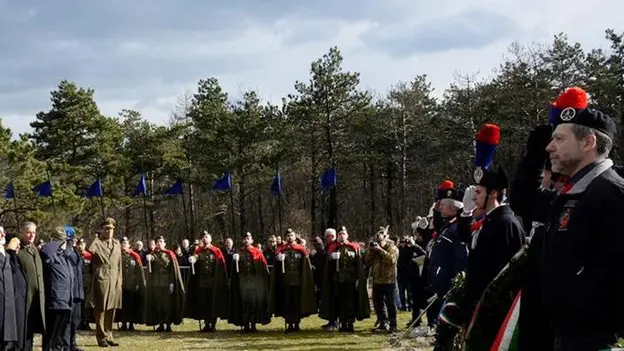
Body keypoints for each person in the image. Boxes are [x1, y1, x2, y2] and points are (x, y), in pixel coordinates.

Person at [512, 87, 624, 350]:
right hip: (563, 337)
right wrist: (532, 157)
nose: (549, 147)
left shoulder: (611, 194)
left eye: (559, 139)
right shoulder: (570, 195)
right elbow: (523, 201)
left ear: (588, 143)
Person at [319, 226, 370, 333]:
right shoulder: (334, 247)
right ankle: (342, 323)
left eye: (343, 234)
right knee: (340, 302)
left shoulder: (354, 247)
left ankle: (350, 323)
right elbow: (327, 262)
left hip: (351, 279)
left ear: (347, 235)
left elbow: (359, 263)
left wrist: (359, 278)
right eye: (340, 234)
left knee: (350, 302)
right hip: (338, 279)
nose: (341, 236)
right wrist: (331, 257)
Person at [269, 229, 316, 333]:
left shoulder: (301, 249)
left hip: (298, 281)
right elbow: (276, 268)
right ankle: (289, 323)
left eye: (291, 235)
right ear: (285, 237)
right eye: (288, 235)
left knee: (296, 302)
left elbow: (305, 265)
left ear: (295, 237)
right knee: (287, 303)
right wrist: (277, 259)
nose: (289, 237)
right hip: (285, 281)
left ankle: (296, 323)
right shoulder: (281, 250)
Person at [88, 218, 123, 348]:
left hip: (114, 279)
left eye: (111, 229)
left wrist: (120, 281)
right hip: (102, 278)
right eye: (106, 229)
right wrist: (97, 238)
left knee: (111, 309)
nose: (109, 231)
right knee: (101, 309)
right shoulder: (97, 243)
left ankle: (109, 335)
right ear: (102, 230)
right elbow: (90, 250)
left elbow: (119, 264)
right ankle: (101, 336)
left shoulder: (117, 244)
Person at [228, 232, 271, 333]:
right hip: (243, 284)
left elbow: (263, 267)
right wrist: (234, 261)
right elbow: (234, 271)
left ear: (252, 240)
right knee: (244, 304)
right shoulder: (239, 252)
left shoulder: (257, 252)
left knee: (254, 304)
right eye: (244, 238)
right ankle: (246, 324)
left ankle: (253, 324)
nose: (246, 240)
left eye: (248, 238)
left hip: (255, 284)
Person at [186, 232, 228, 332]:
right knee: (203, 303)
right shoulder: (199, 251)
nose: (204, 239)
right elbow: (196, 258)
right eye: (203, 237)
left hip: (213, 282)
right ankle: (206, 323)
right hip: (202, 282)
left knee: (212, 303)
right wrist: (193, 259)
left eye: (206, 237)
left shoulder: (216, 251)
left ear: (210, 239)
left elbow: (221, 266)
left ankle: (213, 323)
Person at [40, 226, 74, 351]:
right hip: (55, 302)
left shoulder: (65, 256)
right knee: (51, 337)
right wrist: (58, 242)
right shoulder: (49, 254)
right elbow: (46, 250)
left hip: (66, 301)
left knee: (59, 338)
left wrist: (67, 246)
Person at [144, 236, 185, 332]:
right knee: (159, 305)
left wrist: (172, 283)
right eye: (157, 242)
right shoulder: (153, 254)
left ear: (165, 243)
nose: (159, 243)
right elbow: (151, 266)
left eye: (161, 242)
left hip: (167, 283)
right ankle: (161, 323)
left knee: (168, 305)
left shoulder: (169, 254)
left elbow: (173, 270)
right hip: (156, 284)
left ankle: (168, 324)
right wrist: (149, 259)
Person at [17, 222, 46, 351]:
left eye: (34, 232)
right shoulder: (18, 251)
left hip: (37, 297)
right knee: (24, 330)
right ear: (22, 233)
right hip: (24, 298)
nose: (31, 235)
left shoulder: (36, 250)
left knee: (33, 327)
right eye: (28, 232)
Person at [365, 226, 399, 333]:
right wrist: (371, 251)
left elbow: (391, 260)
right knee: (378, 303)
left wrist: (380, 250)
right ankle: (383, 323)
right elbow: (367, 261)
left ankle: (393, 325)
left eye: (380, 242)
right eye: (377, 242)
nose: (379, 243)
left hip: (389, 280)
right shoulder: (374, 250)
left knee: (390, 303)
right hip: (377, 280)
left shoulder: (393, 248)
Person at [116, 237, 145, 331]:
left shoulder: (134, 256)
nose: (124, 245)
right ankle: (124, 323)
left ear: (129, 245)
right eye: (122, 243)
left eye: (125, 243)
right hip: (121, 284)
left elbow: (139, 271)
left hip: (132, 284)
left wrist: (138, 283)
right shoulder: (117, 256)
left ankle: (131, 324)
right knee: (123, 305)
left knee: (132, 305)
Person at [64, 227, 86, 351]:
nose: (74, 240)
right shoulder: (66, 251)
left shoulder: (76, 252)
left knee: (75, 320)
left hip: (78, 291)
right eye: (72, 238)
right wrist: (69, 243)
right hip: (69, 292)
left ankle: (73, 343)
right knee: (68, 321)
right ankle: (66, 345)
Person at [0, 226, 18, 349]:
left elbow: (14, 270)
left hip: (8, 305)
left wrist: (11, 252)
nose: (3, 235)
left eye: (3, 232)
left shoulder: (6, 254)